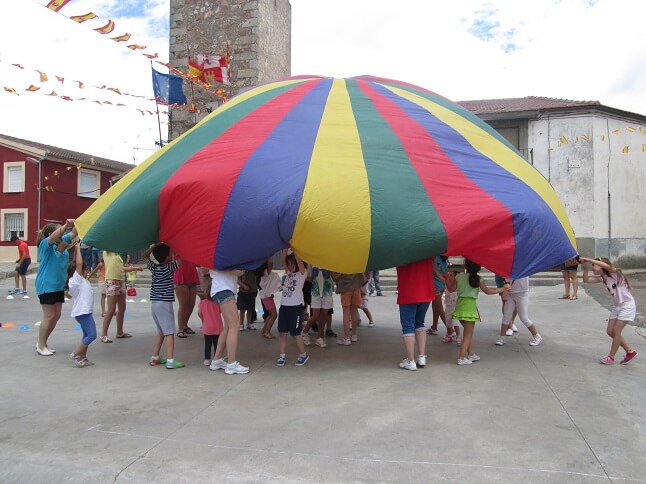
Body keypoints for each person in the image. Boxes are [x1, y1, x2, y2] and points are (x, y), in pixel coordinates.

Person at [580, 257, 638, 365]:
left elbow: (607, 267)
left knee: (616, 331)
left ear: (602, 265)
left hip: (627, 305)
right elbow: (586, 280)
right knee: (610, 331)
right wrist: (585, 268)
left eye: (594, 265)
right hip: (617, 306)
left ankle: (611, 357)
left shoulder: (615, 272)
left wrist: (589, 259)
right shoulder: (603, 277)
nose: (593, 267)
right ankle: (630, 352)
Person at [453, 259, 509, 365]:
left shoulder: (459, 277)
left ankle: (471, 354)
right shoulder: (479, 279)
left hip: (460, 305)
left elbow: (451, 289)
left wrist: (446, 277)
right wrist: (503, 289)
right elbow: (487, 291)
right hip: (470, 307)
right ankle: (461, 358)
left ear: (466, 265)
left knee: (467, 333)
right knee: (468, 335)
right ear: (479, 268)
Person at [35, 219, 75, 356]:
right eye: (60, 230)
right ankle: (40, 345)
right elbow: (53, 237)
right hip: (46, 285)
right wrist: (67, 225)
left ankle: (44, 342)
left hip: (57, 286)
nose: (63, 232)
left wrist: (79, 223)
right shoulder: (45, 245)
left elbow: (74, 234)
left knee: (56, 315)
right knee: (49, 316)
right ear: (52, 233)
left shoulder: (61, 246)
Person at [208, 268, 250, 375]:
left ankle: (217, 360)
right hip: (224, 290)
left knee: (227, 327)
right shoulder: (223, 256)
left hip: (222, 290)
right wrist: (243, 270)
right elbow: (234, 271)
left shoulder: (216, 255)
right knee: (234, 326)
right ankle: (231, 364)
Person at [396, 258, 435, 370]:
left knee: (408, 327)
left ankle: (411, 361)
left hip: (408, 291)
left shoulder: (401, 251)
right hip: (426, 291)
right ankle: (422, 357)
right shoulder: (428, 250)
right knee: (420, 323)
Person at [100, 250, 143, 343]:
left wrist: (135, 268)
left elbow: (121, 269)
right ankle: (104, 334)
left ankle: (120, 332)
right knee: (111, 308)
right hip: (112, 281)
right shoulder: (107, 252)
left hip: (120, 281)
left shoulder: (118, 255)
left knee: (122, 307)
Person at [276, 250, 309, 366]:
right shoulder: (287, 273)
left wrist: (295, 249)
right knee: (282, 332)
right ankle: (282, 355)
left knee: (296, 333)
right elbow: (283, 258)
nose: (290, 266)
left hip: (295, 308)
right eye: (288, 264)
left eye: (292, 263)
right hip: (284, 307)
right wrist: (285, 247)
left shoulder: (302, 274)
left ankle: (303, 355)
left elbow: (300, 263)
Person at [67, 243, 97, 367]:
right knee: (92, 335)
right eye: (85, 269)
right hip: (82, 312)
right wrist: (78, 248)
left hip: (85, 312)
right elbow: (79, 264)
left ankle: (82, 358)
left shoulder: (82, 280)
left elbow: (77, 264)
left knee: (86, 335)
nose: (87, 271)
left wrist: (75, 254)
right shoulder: (75, 281)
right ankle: (76, 353)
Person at [495, 277, 542, 346]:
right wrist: (505, 291)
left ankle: (537, 336)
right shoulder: (510, 267)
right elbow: (506, 279)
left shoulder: (524, 268)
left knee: (523, 317)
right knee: (506, 316)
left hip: (522, 293)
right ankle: (502, 338)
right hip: (510, 293)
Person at [302, 266, 335, 347]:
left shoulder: (330, 261)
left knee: (324, 315)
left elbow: (334, 277)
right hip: (315, 291)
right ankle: (304, 332)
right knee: (315, 315)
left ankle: (319, 338)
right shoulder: (312, 260)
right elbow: (309, 277)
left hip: (327, 291)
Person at [332, 272, 366, 345]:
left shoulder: (341, 263)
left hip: (345, 288)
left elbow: (334, 278)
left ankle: (346, 338)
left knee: (346, 312)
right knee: (354, 311)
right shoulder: (355, 261)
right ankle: (354, 335)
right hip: (356, 287)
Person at [173, 260, 199, 338]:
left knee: (191, 304)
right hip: (181, 277)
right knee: (183, 305)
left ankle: (185, 325)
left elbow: (198, 263)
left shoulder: (192, 251)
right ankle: (180, 329)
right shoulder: (177, 251)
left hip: (192, 276)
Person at [258, 260, 281, 339]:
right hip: (267, 298)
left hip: (266, 297)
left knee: (270, 314)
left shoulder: (263, 274)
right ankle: (267, 332)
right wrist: (270, 253)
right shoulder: (266, 273)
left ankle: (264, 330)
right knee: (274, 315)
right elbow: (271, 263)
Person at [428, 256, 448, 334]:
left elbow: (433, 271)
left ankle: (450, 329)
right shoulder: (445, 262)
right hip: (441, 286)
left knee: (439, 308)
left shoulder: (435, 259)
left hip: (435, 286)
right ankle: (434, 326)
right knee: (435, 307)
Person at [441, 269, 461, 344]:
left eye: (451, 275)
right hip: (448, 306)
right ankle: (449, 334)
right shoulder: (447, 283)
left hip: (456, 306)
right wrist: (437, 272)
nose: (449, 276)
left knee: (455, 321)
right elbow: (442, 278)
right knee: (448, 321)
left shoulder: (458, 285)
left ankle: (458, 335)